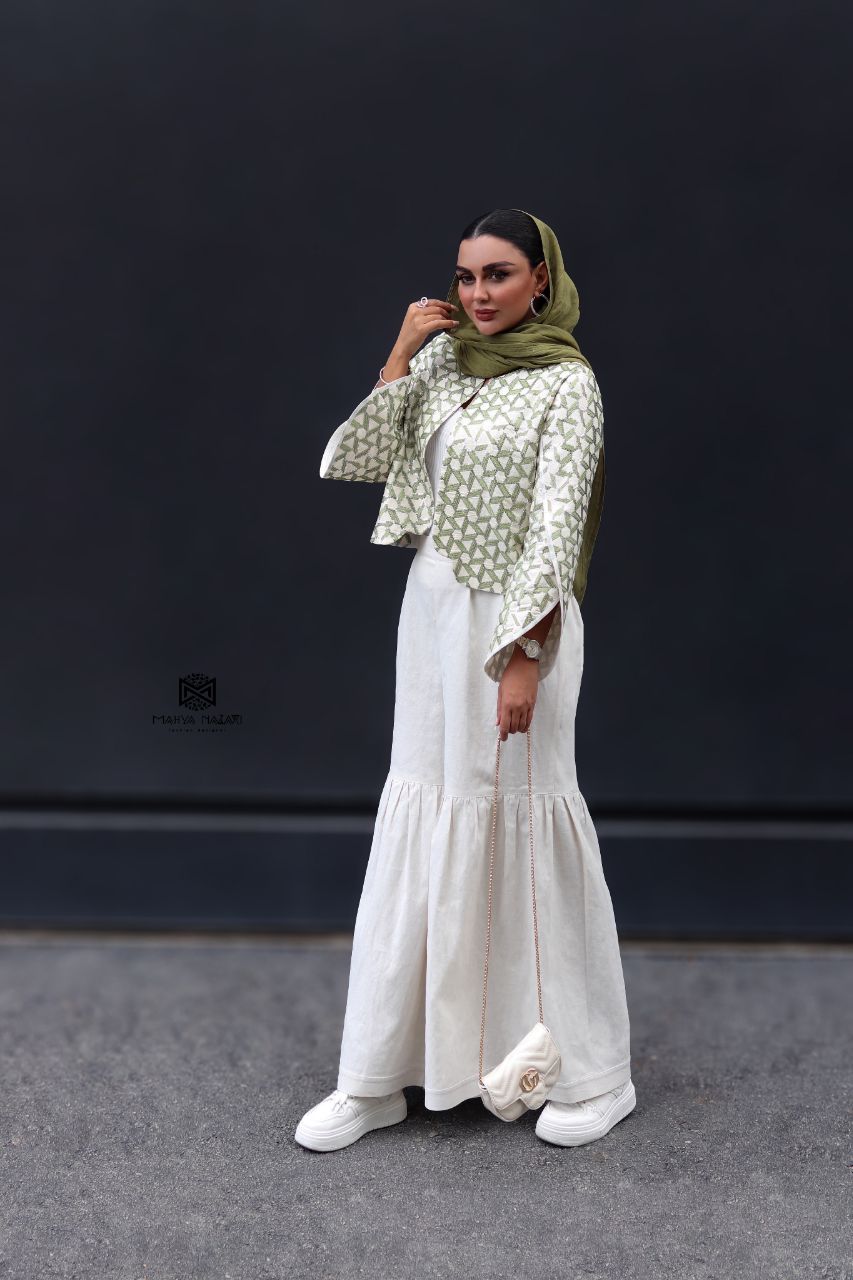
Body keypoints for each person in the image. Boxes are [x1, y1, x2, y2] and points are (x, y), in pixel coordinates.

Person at [295, 208, 635, 1152]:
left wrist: (523, 656)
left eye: (498, 274)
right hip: (434, 612)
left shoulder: (567, 383)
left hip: (519, 619)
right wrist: (401, 352)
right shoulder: (445, 362)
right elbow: (356, 460)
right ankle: (382, 1071)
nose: (478, 294)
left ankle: (593, 1072)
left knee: (522, 820)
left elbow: (557, 521)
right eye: (465, 276)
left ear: (540, 279)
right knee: (428, 808)